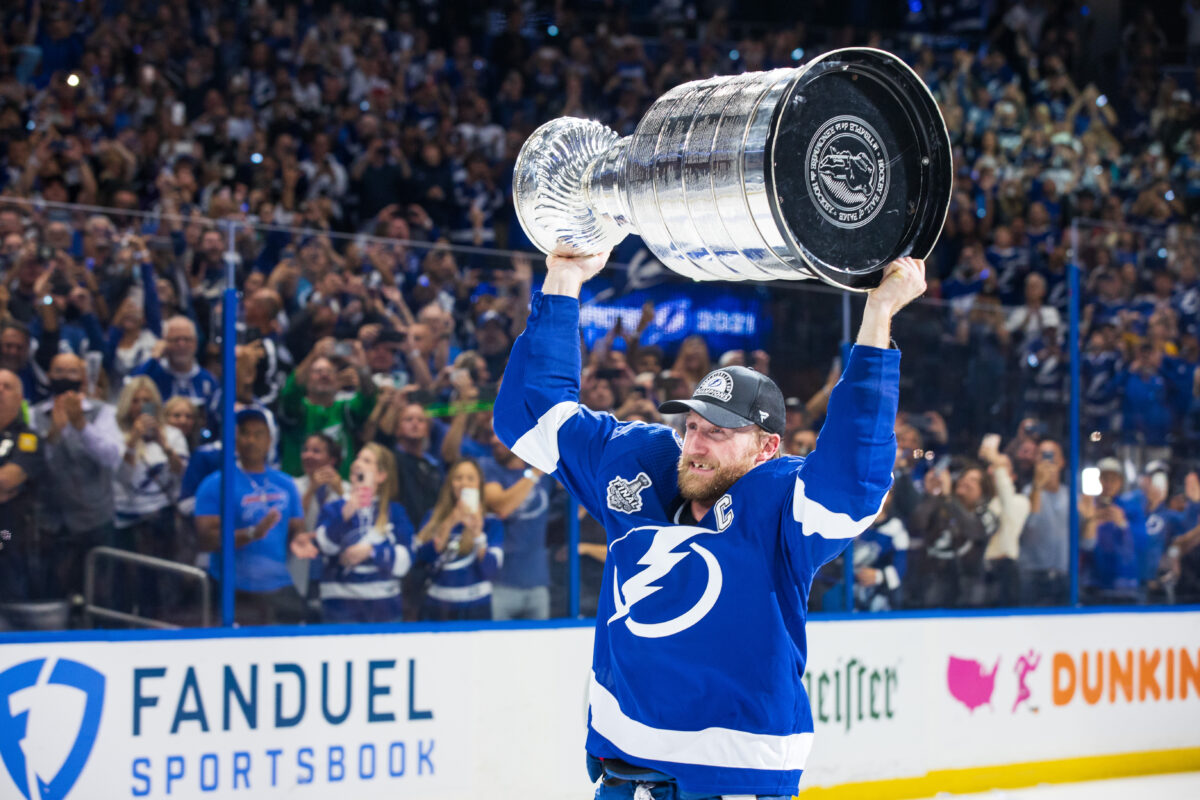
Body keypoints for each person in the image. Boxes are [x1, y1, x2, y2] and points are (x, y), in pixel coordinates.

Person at [494, 251, 925, 798]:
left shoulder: (780, 504)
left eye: (720, 432)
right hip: (622, 775)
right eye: (693, 425)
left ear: (767, 447)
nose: (696, 444)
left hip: (732, 777)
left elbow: (852, 482)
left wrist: (878, 313)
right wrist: (566, 276)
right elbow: (530, 416)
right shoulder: (639, 465)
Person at [194, 409, 309, 626]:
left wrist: (300, 540)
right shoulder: (216, 483)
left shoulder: (285, 483)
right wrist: (251, 534)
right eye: (245, 433)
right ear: (235, 440)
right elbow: (206, 539)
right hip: (234, 590)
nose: (251, 440)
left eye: (259, 434)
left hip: (279, 587)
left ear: (269, 440)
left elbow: (296, 527)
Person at [30, 353, 124, 602]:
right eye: (58, 372)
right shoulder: (33, 415)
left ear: (82, 377)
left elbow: (112, 457)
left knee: (101, 594)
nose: (64, 378)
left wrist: (82, 426)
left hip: (95, 519)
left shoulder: (103, 412)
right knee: (51, 593)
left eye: (71, 372)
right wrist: (53, 435)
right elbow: (32, 467)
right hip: (51, 521)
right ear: (49, 376)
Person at [297, 443, 415, 623]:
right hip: (340, 609)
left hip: (384, 609)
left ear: (381, 475)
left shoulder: (395, 512)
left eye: (367, 461)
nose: (357, 463)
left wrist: (371, 552)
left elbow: (405, 561)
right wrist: (347, 512)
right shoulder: (334, 508)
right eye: (358, 458)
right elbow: (325, 546)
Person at [112, 376, 189, 618]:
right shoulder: (115, 433)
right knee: (124, 585)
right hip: (125, 520)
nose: (140, 405)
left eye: (146, 400)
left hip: (160, 518)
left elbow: (182, 473)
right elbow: (122, 476)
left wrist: (164, 444)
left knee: (159, 584)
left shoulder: (173, 434)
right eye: (135, 400)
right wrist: (133, 441)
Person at [413, 458, 504, 621]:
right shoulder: (433, 517)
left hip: (476, 607)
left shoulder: (491, 523)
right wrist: (449, 523)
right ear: (450, 484)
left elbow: (491, 571)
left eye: (470, 478)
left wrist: (478, 535)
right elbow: (422, 558)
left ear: (479, 485)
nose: (464, 483)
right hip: (437, 606)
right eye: (458, 478)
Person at [481, 431, 552, 620]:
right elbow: (502, 508)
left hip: (538, 581)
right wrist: (535, 472)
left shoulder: (544, 472)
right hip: (501, 583)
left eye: (499, 434)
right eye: (492, 435)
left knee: (540, 647)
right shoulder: (488, 468)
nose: (494, 440)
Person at [0, 369, 46, 608]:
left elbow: (9, 479)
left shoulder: (27, 438)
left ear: (20, 398)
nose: (0, 390)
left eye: (7, 386)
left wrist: (6, 485)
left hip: (9, 535)